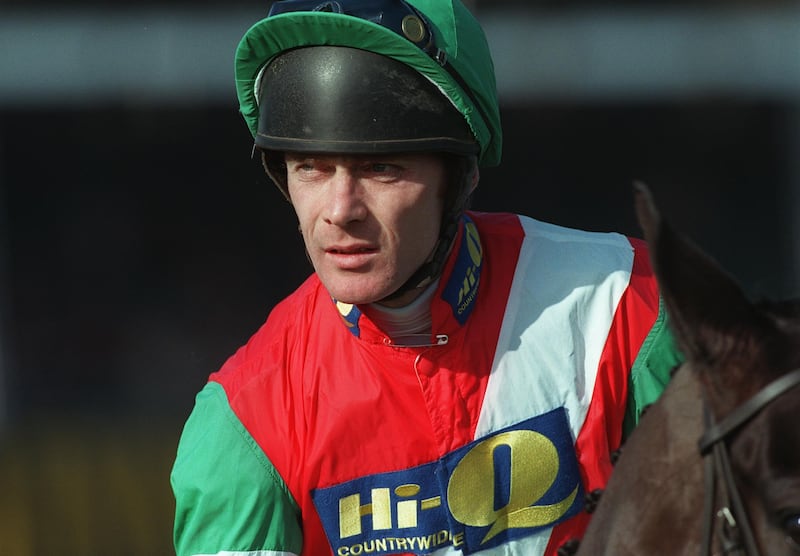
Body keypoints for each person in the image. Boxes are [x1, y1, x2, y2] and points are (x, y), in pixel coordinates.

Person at [170, 1, 682, 555]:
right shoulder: (244, 420)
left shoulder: (630, 305)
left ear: (460, 175)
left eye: (380, 167)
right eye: (310, 167)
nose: (339, 210)